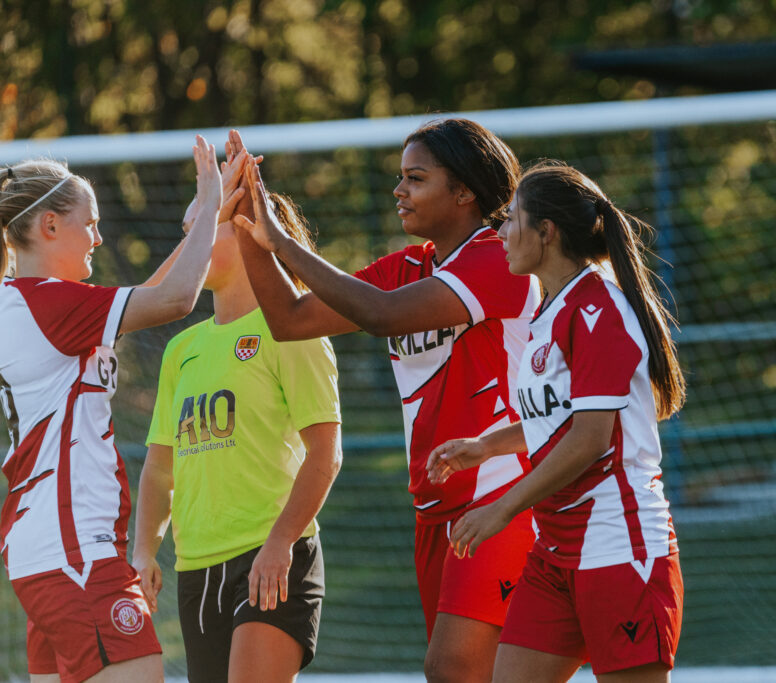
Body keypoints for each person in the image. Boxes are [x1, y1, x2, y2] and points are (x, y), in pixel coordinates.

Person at [229, 120, 541, 682]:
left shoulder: (499, 257)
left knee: (451, 670)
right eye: (400, 177)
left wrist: (282, 240)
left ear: (464, 191)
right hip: (434, 510)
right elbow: (290, 320)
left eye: (415, 178)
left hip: (503, 496)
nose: (399, 190)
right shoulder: (408, 267)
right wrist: (248, 226)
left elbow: (382, 315)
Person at [426, 161, 686, 682]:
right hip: (555, 552)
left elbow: (589, 439)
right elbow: (557, 420)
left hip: (618, 548)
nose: (499, 233)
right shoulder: (550, 309)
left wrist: (501, 508)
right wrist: (484, 446)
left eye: (511, 220)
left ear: (545, 232)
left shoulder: (598, 308)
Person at [0, 137, 223, 683]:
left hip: (48, 553)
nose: (98, 237)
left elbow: (150, 293)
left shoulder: (30, 301)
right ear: (50, 226)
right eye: (89, 223)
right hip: (75, 552)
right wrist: (213, 204)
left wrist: (204, 228)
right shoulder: (46, 302)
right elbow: (174, 299)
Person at [131, 137, 342, 683]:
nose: (190, 245)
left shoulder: (294, 328)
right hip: (196, 568)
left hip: (270, 557)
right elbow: (160, 468)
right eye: (185, 234)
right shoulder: (183, 349)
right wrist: (143, 552)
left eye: (202, 228)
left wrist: (280, 542)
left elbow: (326, 452)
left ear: (248, 227)